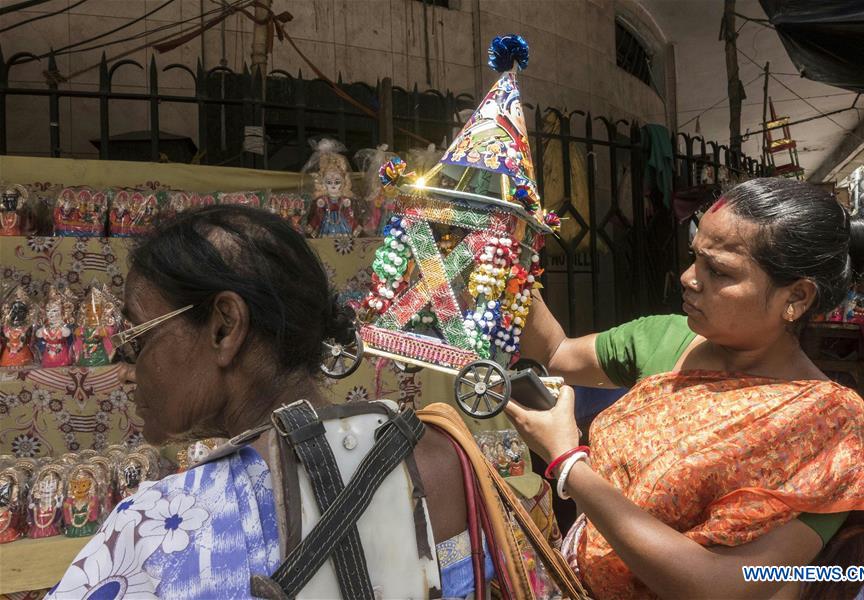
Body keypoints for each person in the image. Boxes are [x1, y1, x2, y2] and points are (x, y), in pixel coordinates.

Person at [45, 205, 575, 600]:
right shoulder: (452, 462)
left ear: (225, 327)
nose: (125, 367)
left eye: (137, 337)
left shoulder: (154, 527)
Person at [507, 178, 864, 599]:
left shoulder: (828, 424)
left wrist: (569, 463)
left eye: (719, 271)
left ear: (797, 297)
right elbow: (556, 352)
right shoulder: (668, 339)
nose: (688, 278)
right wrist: (511, 260)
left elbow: (721, 586)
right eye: (694, 257)